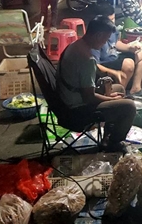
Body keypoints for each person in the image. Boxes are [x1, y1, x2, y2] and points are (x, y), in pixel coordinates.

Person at [57, 15, 136, 151]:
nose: (105, 43)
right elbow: (89, 98)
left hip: (66, 99)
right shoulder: (87, 59)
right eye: (105, 39)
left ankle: (107, 137)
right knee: (129, 106)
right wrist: (111, 99)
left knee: (118, 88)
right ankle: (114, 144)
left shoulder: (75, 46)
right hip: (75, 111)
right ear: (98, 35)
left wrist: (109, 93)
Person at [90, 5, 142, 94]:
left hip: (115, 56)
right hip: (105, 62)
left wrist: (130, 48)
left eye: (113, 19)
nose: (113, 22)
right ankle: (120, 92)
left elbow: (116, 43)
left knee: (141, 53)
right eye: (110, 20)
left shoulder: (112, 29)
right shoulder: (96, 38)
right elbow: (95, 65)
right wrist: (114, 72)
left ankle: (136, 88)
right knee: (128, 63)